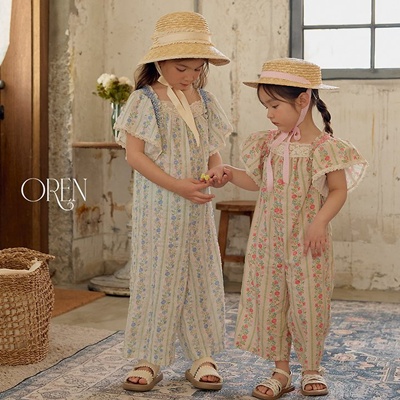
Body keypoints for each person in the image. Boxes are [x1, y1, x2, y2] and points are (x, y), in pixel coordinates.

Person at [207, 58, 368, 399]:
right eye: (266, 106)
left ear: (303, 100)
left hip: (308, 240)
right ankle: (281, 370)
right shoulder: (268, 144)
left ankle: (311, 368)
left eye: (274, 105)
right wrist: (230, 173)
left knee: (309, 303)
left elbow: (337, 190)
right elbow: (258, 182)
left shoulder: (325, 148)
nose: (269, 114)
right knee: (271, 301)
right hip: (268, 240)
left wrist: (319, 222)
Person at [113, 11, 232, 392]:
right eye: (182, 68)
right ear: (160, 62)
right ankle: (148, 357)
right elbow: (135, 156)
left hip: (196, 203)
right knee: (157, 275)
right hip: (159, 204)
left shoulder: (205, 100)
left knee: (200, 274)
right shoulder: (144, 101)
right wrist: (176, 186)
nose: (190, 76)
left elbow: (211, 149)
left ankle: (202, 356)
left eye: (197, 69)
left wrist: (215, 170)